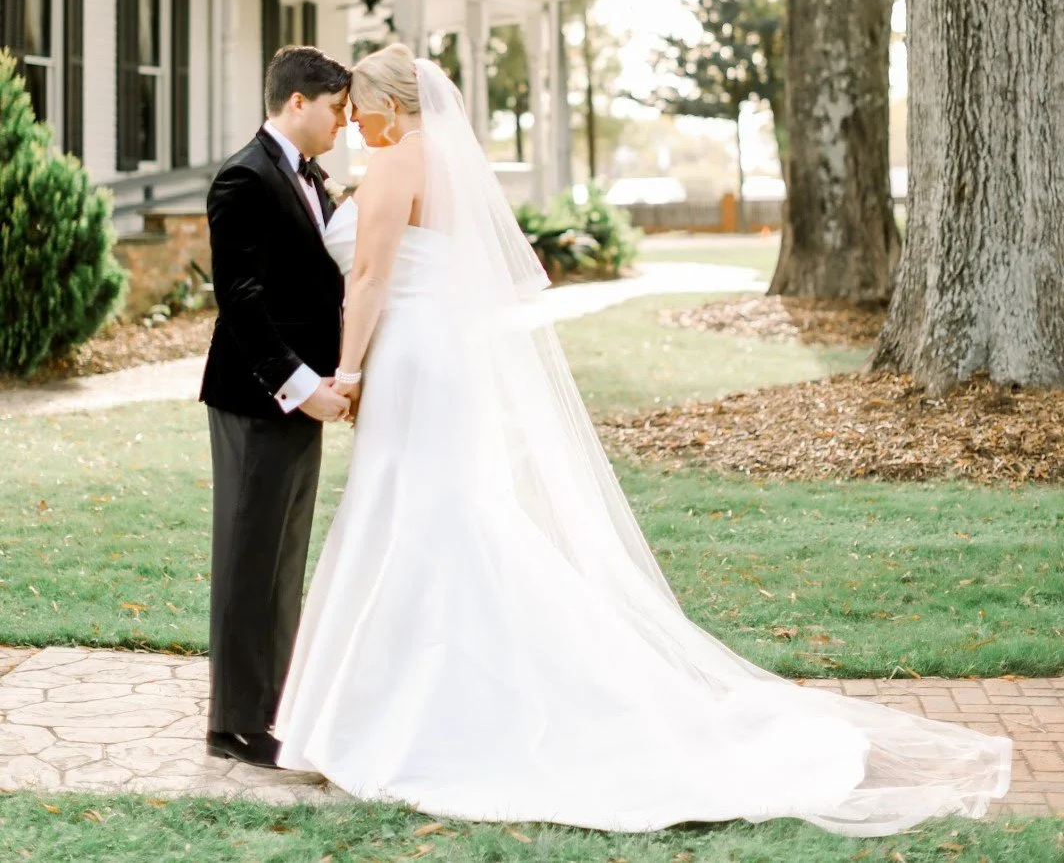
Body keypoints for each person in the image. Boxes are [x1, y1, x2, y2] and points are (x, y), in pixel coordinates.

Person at [274, 42, 1011, 835]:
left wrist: (346, 373)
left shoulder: (393, 162)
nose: (351, 118)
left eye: (359, 105)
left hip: (413, 361)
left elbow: (372, 277)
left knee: (419, 517)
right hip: (446, 362)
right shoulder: (447, 165)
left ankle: (403, 717)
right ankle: (410, 702)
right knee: (438, 514)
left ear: (390, 103)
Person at [200, 45, 352, 767]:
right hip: (257, 396)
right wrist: (299, 385)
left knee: (282, 558)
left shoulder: (310, 177)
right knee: (247, 555)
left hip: (304, 398)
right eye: (334, 109)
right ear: (299, 102)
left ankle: (269, 706)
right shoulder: (244, 177)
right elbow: (242, 299)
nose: (342, 124)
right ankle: (232, 724)